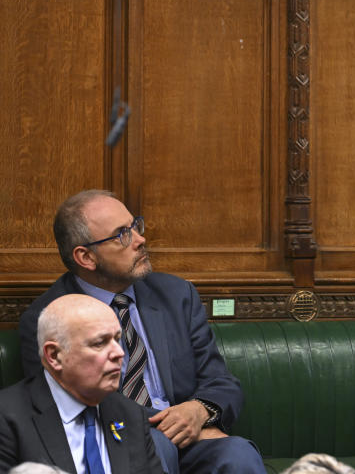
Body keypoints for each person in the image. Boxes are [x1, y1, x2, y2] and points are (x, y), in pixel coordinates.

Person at [18, 190, 266, 474]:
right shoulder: (48, 319)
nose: (140, 239)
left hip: (190, 436)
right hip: (114, 443)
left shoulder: (175, 295)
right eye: (122, 234)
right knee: (155, 445)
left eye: (135, 226)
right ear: (86, 257)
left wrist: (198, 411)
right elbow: (67, 407)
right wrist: (170, 425)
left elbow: (221, 381)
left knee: (237, 454)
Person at [0, 294, 162, 473]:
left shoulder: (130, 414)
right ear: (54, 355)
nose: (119, 353)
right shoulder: (7, 420)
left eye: (117, 339)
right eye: (100, 343)